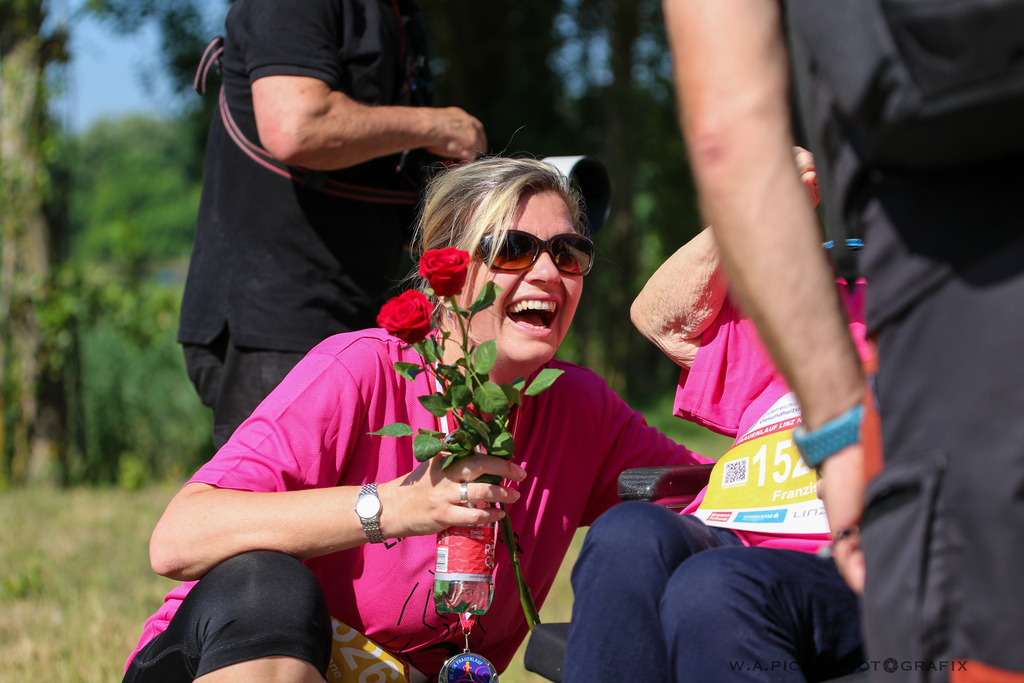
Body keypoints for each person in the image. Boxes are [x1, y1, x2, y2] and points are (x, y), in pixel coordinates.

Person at [122, 157, 711, 683]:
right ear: (443, 272)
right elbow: (179, 537)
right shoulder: (361, 369)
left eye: (568, 254)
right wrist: (395, 508)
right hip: (228, 657)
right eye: (512, 250)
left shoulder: (578, 406)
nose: (548, 274)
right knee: (270, 584)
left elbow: (723, 498)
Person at [662, 1, 1024, 679]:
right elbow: (660, 316)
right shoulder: (762, 324)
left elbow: (730, 135)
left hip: (945, 264)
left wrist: (838, 435)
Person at [563, 150, 866, 682]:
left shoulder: (964, 312)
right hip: (727, 528)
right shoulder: (818, 300)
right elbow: (661, 318)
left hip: (853, 554)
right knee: (627, 534)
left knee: (714, 584)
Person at [180, 0, 488, 449]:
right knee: (275, 514)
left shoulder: (396, 12)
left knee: (357, 510)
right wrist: (432, 125)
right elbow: (296, 126)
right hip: (278, 320)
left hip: (354, 312)